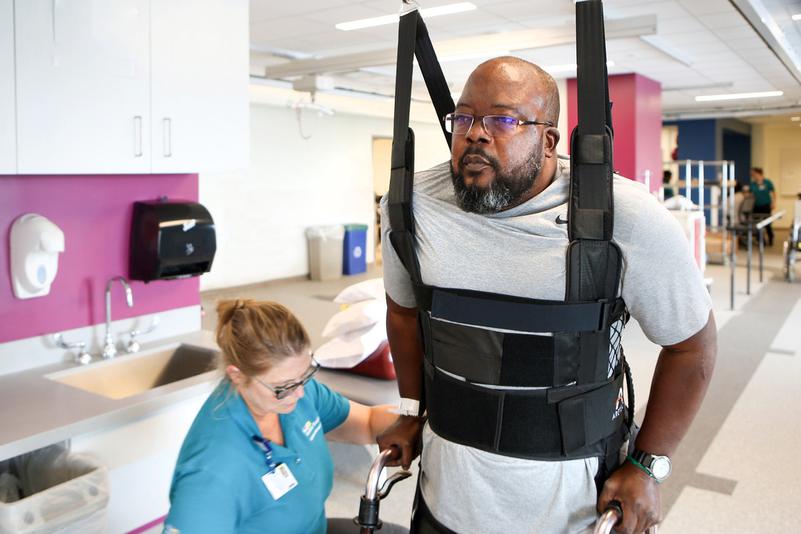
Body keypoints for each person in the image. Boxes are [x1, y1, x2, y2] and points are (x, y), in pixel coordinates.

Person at [377, 57, 717, 534]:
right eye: (464, 118)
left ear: (549, 140)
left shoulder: (626, 218)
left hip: (570, 508)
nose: (475, 133)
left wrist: (647, 465)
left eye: (503, 119)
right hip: (445, 497)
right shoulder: (411, 205)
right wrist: (411, 411)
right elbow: (403, 313)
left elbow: (691, 346)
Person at [164, 299, 402, 534]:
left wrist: (423, 423)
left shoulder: (296, 393)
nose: (299, 393)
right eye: (284, 386)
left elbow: (369, 422)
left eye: (305, 375)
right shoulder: (213, 471)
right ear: (236, 375)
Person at [749, 167, 776, 246]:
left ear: (758, 173)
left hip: (766, 205)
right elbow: (751, 194)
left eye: (753, 173)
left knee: (767, 223)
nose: (752, 174)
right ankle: (761, 240)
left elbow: (773, 193)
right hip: (756, 206)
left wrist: (773, 203)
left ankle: (771, 237)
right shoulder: (753, 184)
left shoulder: (767, 182)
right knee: (758, 224)